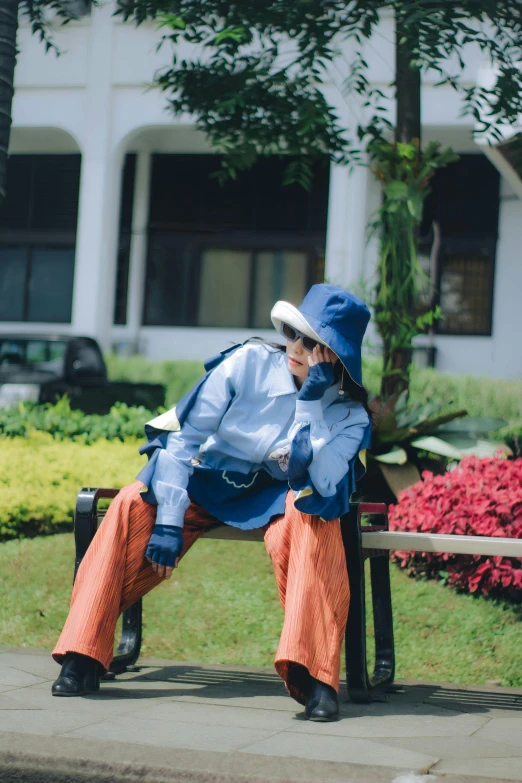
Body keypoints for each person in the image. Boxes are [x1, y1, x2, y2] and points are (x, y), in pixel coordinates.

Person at [51, 283, 372, 722]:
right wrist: (167, 520)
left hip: (280, 496)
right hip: (205, 480)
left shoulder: (349, 416)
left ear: (335, 355)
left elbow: (318, 481)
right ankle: (81, 656)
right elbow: (184, 437)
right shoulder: (248, 363)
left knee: (313, 519)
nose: (296, 347)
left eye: (313, 342)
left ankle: (315, 678)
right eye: (294, 334)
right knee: (131, 502)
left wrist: (311, 405)